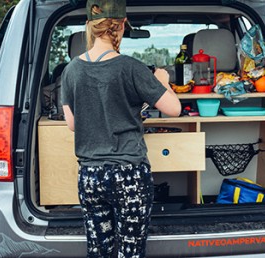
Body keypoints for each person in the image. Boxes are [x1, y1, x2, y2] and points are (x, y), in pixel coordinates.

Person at [61, 0, 181, 257]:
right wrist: (163, 82)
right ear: (122, 25)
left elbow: (72, 124)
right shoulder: (131, 67)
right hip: (129, 175)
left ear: (90, 27)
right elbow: (174, 109)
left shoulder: (71, 70)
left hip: (90, 177)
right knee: (130, 251)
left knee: (99, 250)